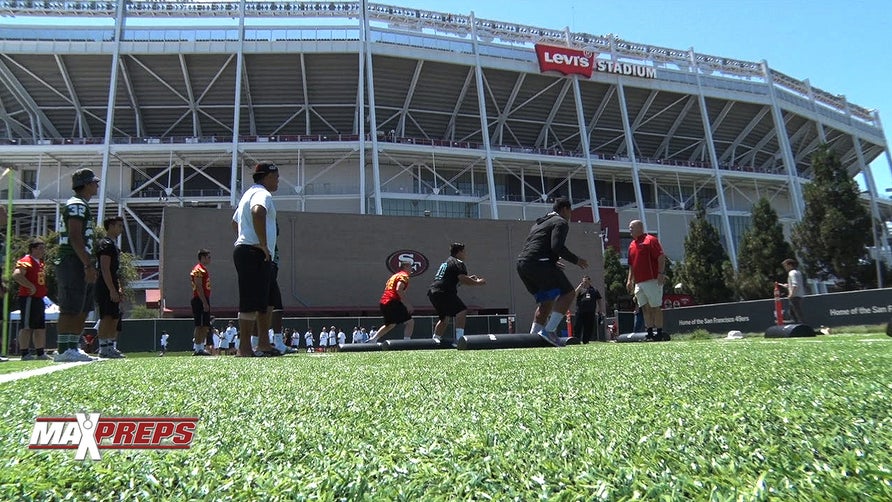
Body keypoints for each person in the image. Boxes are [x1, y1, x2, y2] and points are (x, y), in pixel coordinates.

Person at [516, 198, 589, 347]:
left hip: (523, 264)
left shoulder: (540, 222)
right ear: (565, 209)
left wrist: (551, 260)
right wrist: (577, 260)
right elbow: (557, 247)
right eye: (570, 212)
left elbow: (536, 245)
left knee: (546, 302)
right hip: (539, 263)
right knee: (568, 293)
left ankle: (534, 337)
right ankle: (549, 331)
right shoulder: (560, 222)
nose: (570, 215)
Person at [232, 161, 280, 357]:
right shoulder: (262, 194)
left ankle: (264, 344)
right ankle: (244, 349)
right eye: (276, 178)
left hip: (251, 251)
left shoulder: (248, 194)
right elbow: (257, 211)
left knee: (266, 300)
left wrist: (245, 239)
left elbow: (235, 222)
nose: (277, 182)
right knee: (250, 302)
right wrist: (261, 243)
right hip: (254, 253)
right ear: (267, 177)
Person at [54, 168, 101, 362]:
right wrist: (87, 265)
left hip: (80, 260)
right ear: (86, 184)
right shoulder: (76, 205)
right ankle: (63, 348)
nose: (97, 185)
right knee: (71, 306)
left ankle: (72, 345)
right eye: (94, 182)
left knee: (82, 307)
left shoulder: (82, 204)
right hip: (73, 260)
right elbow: (75, 237)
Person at [427, 242, 486, 344]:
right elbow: (462, 279)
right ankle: (460, 340)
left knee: (444, 318)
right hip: (444, 291)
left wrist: (467, 279)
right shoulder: (458, 262)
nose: (465, 254)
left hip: (434, 292)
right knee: (462, 311)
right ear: (459, 252)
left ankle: (435, 341)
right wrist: (478, 282)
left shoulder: (447, 262)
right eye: (464, 252)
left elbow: (453, 280)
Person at [626, 219, 668, 341]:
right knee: (644, 307)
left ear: (640, 228)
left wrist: (660, 273)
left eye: (631, 227)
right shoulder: (632, 245)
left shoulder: (650, 240)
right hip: (639, 282)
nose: (630, 230)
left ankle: (659, 332)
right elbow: (631, 265)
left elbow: (661, 257)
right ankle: (649, 332)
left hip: (652, 280)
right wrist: (630, 280)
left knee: (655, 306)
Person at [12, 239, 51, 360]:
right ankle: (24, 353)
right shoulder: (26, 261)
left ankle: (40, 352)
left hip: (39, 298)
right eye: (40, 248)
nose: (42, 251)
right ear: (33, 249)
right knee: (27, 326)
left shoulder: (40, 262)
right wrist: (30, 286)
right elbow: (17, 275)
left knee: (40, 327)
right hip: (29, 297)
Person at [95, 216, 126, 358]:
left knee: (114, 317)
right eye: (119, 226)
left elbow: (115, 271)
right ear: (111, 226)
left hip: (112, 282)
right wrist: (111, 289)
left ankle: (110, 345)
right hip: (105, 284)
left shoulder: (114, 245)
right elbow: (105, 268)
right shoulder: (105, 244)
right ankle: (103, 347)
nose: (121, 229)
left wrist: (118, 287)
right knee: (106, 315)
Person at [367, 257, 415, 342]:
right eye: (411, 267)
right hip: (392, 301)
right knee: (410, 322)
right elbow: (398, 289)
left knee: (390, 324)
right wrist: (407, 304)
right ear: (406, 267)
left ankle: (373, 339)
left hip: (383, 302)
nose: (412, 269)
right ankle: (406, 343)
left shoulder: (394, 276)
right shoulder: (404, 275)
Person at [190, 249, 213, 356]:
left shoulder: (203, 269)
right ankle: (198, 348)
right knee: (199, 324)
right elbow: (199, 287)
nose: (210, 259)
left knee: (205, 325)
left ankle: (200, 347)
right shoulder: (198, 270)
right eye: (208, 257)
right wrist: (204, 302)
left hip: (204, 298)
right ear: (203, 257)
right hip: (199, 299)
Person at [574, 275, 603, 344]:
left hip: (590, 312)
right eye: (584, 281)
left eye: (586, 281)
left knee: (588, 327)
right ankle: (576, 340)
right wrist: (579, 286)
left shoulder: (594, 290)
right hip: (580, 311)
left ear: (590, 281)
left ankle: (586, 341)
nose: (585, 283)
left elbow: (599, 300)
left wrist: (600, 309)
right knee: (578, 326)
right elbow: (574, 295)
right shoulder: (580, 289)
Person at [781, 258, 806, 323]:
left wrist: (791, 294)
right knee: (793, 312)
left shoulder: (791, 273)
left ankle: (802, 325)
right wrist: (788, 286)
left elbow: (795, 285)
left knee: (797, 312)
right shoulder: (798, 272)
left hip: (795, 296)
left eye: (785, 266)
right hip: (799, 295)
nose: (785, 268)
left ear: (790, 265)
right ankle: (799, 324)